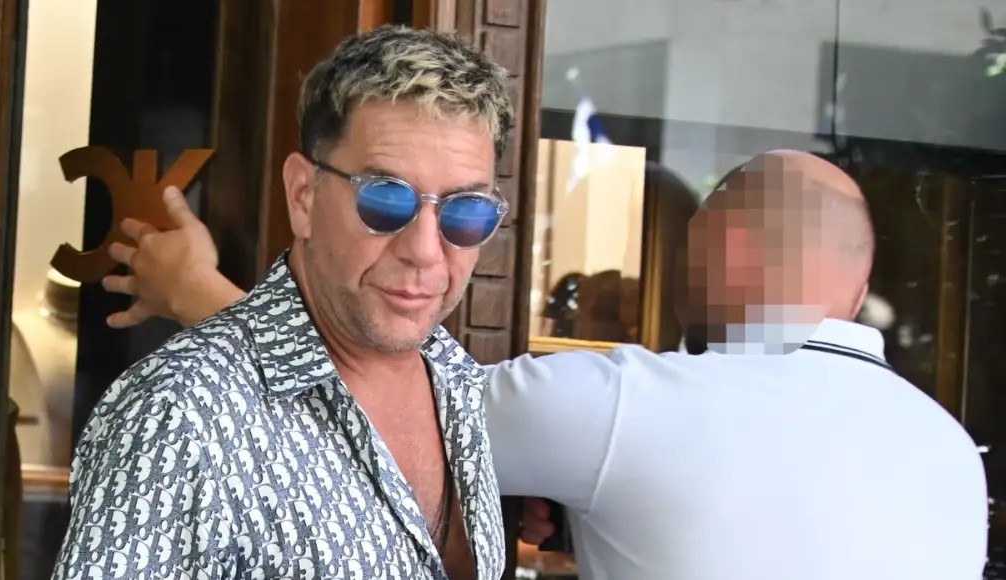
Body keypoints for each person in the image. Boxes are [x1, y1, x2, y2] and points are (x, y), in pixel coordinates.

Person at [101, 149, 988, 579]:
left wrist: (195, 289)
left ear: (724, 245)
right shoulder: (948, 450)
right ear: (858, 281)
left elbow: (387, 405)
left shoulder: (634, 405)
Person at [52, 25, 515, 579]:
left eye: (465, 212)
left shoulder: (459, 385)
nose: (423, 250)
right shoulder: (180, 412)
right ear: (303, 196)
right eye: (385, 200)